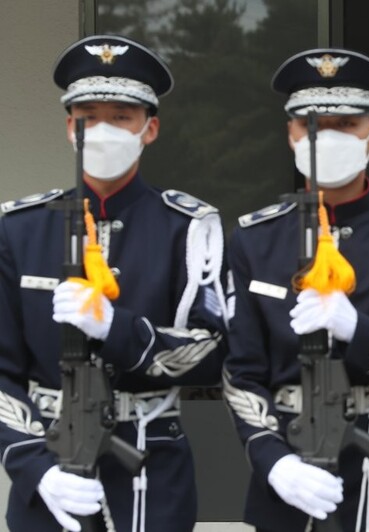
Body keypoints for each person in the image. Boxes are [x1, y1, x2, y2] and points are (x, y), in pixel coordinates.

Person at [222, 49, 369, 532]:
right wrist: (273, 460)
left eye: (346, 125)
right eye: (312, 124)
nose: (327, 138)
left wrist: (360, 331)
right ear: (291, 134)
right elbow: (241, 371)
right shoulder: (255, 238)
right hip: (290, 467)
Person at [0, 34, 229, 532]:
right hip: (49, 469)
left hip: (151, 471)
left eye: (121, 117)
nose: (103, 130)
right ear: (69, 127)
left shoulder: (187, 227)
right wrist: (32, 466)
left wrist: (117, 328)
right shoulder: (17, 228)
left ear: (149, 129)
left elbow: (213, 353)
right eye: (89, 116)